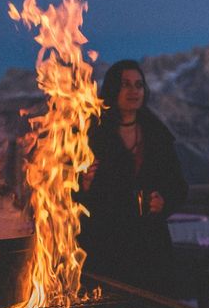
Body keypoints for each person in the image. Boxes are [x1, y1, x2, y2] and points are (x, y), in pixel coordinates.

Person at [78, 60, 188, 295]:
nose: (133, 91)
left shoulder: (156, 133)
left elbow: (178, 185)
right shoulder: (92, 134)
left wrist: (164, 201)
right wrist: (84, 184)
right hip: (106, 245)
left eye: (138, 85)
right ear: (112, 90)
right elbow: (65, 192)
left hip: (149, 246)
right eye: (125, 85)